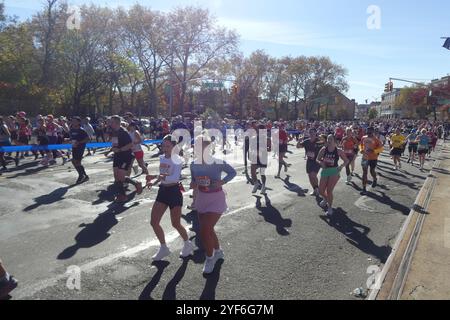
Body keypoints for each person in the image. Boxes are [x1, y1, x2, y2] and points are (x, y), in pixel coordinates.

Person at [190, 135, 237, 274]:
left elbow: (232, 172)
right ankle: (218, 251)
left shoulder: (217, 162)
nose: (198, 148)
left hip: (216, 198)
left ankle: (210, 258)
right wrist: (193, 184)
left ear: (208, 147)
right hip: (202, 199)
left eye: (202, 146)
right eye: (196, 146)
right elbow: (194, 182)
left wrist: (223, 182)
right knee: (208, 229)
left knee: (204, 231)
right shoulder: (193, 164)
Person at [148, 135, 194, 261]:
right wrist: (154, 181)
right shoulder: (162, 158)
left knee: (176, 223)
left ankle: (187, 243)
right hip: (163, 191)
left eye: (168, 146)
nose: (165, 148)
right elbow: (163, 174)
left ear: (174, 147)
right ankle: (163, 248)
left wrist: (159, 177)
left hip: (174, 192)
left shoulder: (177, 160)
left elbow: (173, 178)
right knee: (154, 222)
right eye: (163, 145)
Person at [109, 116, 143, 203]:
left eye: (111, 122)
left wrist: (120, 149)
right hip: (117, 156)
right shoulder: (113, 132)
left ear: (117, 123)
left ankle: (124, 195)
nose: (110, 123)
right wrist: (112, 148)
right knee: (117, 177)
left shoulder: (123, 132)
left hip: (125, 156)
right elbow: (114, 143)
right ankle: (133, 186)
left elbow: (130, 144)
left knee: (121, 176)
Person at [316, 134, 349, 216]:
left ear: (334, 141)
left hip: (334, 171)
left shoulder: (338, 151)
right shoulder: (324, 149)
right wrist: (321, 163)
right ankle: (325, 199)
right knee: (320, 190)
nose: (328, 141)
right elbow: (317, 159)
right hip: (325, 170)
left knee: (329, 191)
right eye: (328, 139)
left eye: (330, 139)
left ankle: (330, 207)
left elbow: (346, 161)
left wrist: (341, 166)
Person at [296, 128, 323, 196]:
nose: (311, 134)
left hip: (317, 160)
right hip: (309, 160)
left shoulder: (319, 141)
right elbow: (298, 146)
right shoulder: (306, 141)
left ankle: (317, 189)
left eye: (313, 132)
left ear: (315, 133)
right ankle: (315, 190)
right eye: (310, 132)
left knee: (313, 175)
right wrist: (299, 141)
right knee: (310, 176)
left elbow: (325, 147)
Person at [359, 127, 384, 195]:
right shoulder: (363, 138)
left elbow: (381, 149)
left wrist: (374, 151)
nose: (368, 134)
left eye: (370, 133)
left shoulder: (376, 140)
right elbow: (361, 145)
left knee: (372, 171)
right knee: (364, 172)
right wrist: (361, 149)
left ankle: (375, 179)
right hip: (365, 157)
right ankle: (364, 188)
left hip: (373, 158)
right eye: (367, 132)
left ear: (373, 132)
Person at [251, 124, 271, 194]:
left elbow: (269, 149)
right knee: (252, 171)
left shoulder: (267, 138)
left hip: (263, 157)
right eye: (257, 129)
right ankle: (256, 183)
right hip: (255, 156)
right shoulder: (254, 138)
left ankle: (263, 186)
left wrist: (262, 149)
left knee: (262, 173)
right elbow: (252, 148)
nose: (257, 131)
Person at [69, 117, 90, 184]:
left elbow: (88, 139)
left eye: (75, 121)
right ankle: (85, 176)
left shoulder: (82, 130)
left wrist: (79, 142)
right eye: (72, 121)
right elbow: (72, 138)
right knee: (75, 162)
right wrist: (68, 140)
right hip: (74, 147)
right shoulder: (71, 130)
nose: (73, 122)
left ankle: (81, 176)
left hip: (80, 147)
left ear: (78, 122)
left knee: (76, 161)